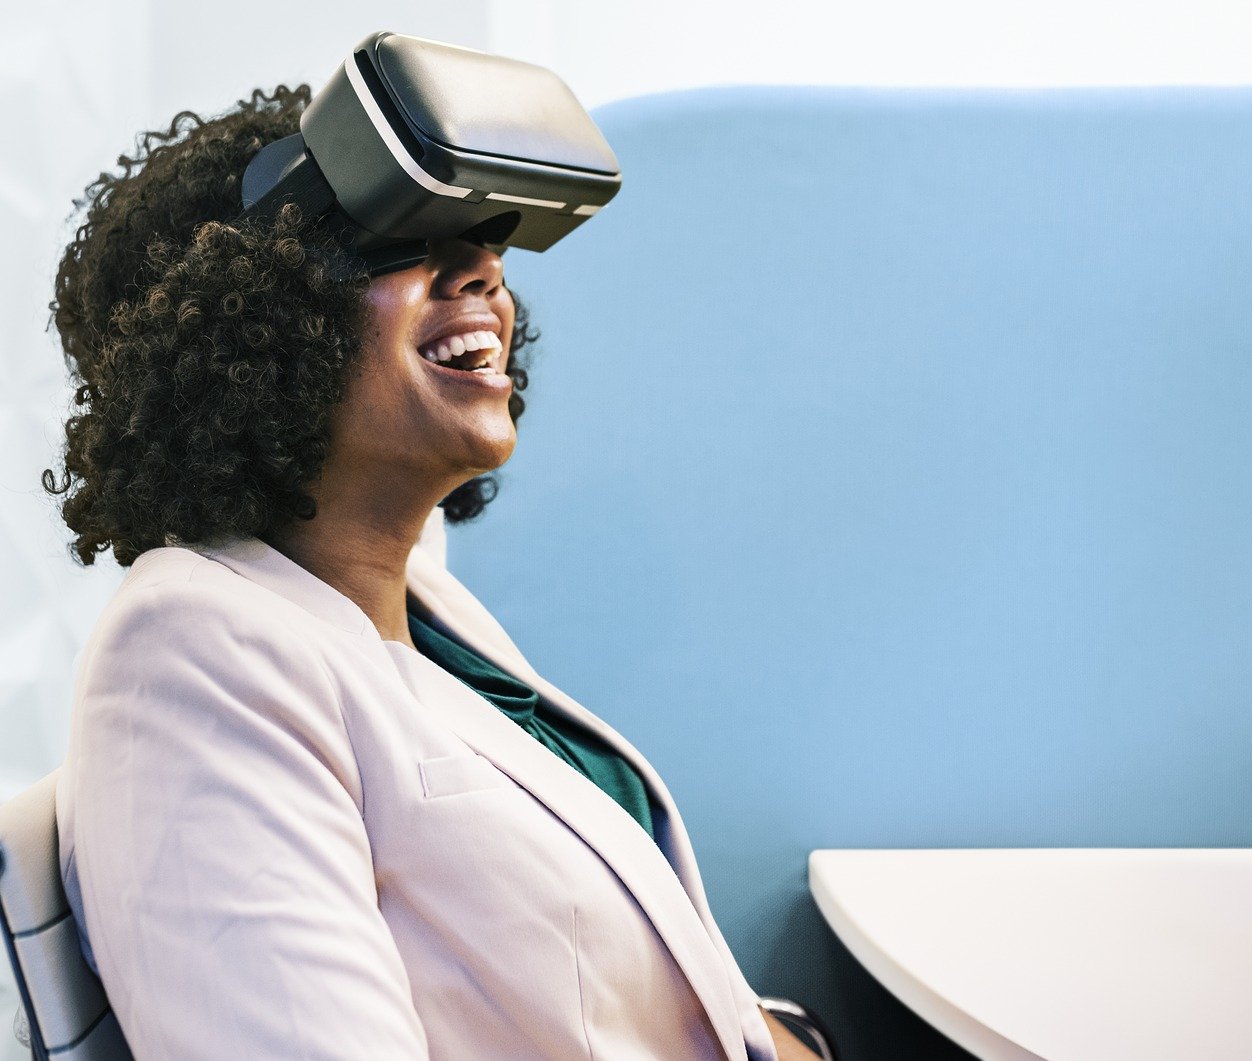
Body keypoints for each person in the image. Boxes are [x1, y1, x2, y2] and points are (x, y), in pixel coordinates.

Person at [44, 85, 817, 1059]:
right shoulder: (191, 652)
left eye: (478, 237)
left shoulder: (426, 609)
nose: (481, 268)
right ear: (249, 329)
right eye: (393, 236)